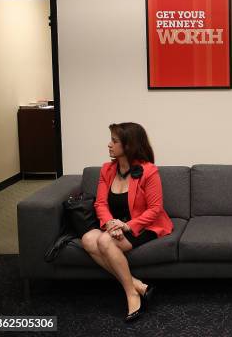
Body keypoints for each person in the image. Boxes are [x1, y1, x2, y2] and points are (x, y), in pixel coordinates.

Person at [80, 122, 173, 322]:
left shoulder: (148, 171)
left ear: (128, 145)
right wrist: (110, 223)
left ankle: (130, 294)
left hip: (144, 224)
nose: (109, 145)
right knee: (88, 239)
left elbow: (155, 209)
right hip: (114, 225)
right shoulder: (107, 170)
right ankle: (137, 284)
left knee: (104, 242)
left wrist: (127, 226)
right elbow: (101, 203)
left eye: (114, 141)